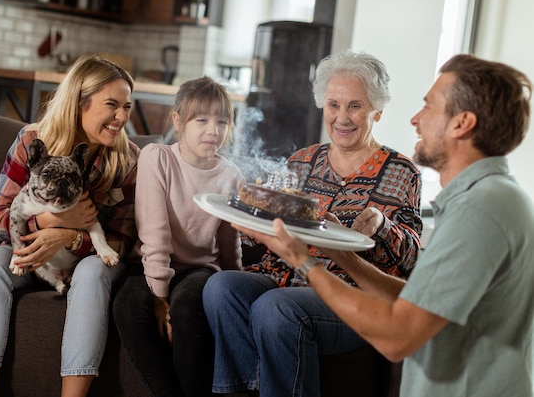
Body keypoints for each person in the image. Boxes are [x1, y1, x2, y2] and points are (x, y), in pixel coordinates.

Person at [236, 54, 534, 397]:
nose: (415, 119)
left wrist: (305, 261)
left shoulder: (481, 210)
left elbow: (397, 337)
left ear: (461, 123)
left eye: (429, 106)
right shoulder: (487, 199)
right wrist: (338, 250)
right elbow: (413, 300)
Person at [203, 50, 423, 397]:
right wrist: (245, 220)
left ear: (377, 111)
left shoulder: (400, 171)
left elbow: (412, 262)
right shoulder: (303, 161)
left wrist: (382, 225)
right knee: (221, 288)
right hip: (282, 278)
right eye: (333, 105)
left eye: (355, 106)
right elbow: (268, 234)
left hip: (349, 295)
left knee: (274, 308)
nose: (342, 118)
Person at [0, 54, 139, 397]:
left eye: (127, 107)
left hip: (87, 260)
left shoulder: (127, 158)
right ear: (79, 103)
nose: (122, 117)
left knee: (91, 274)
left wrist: (70, 237)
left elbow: (123, 243)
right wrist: (47, 220)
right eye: (112, 105)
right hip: (27, 250)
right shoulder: (31, 141)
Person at [111, 76, 245, 397]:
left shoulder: (231, 175)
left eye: (222, 121)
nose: (213, 130)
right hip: (155, 264)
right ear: (178, 121)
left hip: (200, 269)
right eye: (202, 120)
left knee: (187, 305)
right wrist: (159, 296)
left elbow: (230, 242)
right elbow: (154, 231)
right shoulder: (157, 158)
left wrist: (237, 287)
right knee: (128, 305)